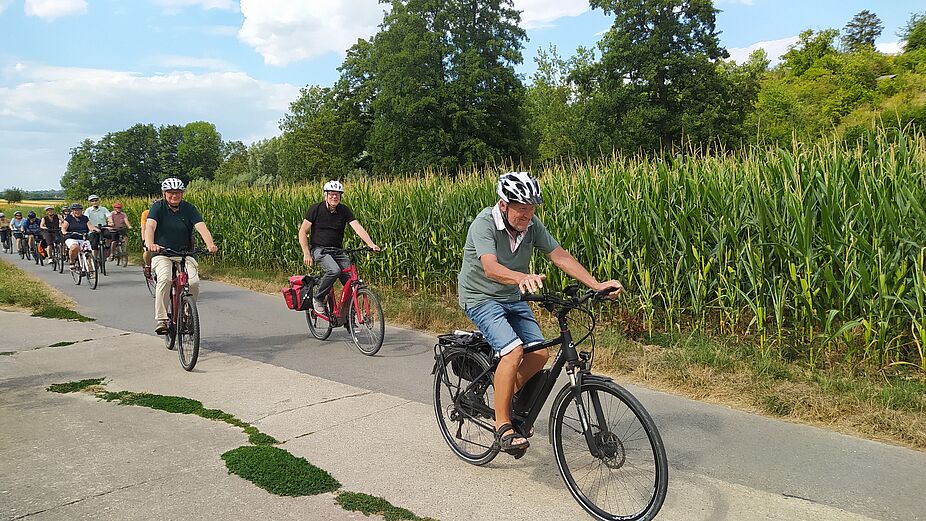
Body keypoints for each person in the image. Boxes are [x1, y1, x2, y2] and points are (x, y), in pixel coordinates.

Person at [457, 171, 623, 456]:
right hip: (481, 297)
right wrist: (520, 278)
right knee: (513, 351)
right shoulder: (484, 223)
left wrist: (596, 285)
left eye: (531, 208)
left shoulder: (532, 225)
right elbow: (490, 267)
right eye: (521, 208)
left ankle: (500, 397)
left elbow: (560, 255)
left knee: (539, 354)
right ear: (503, 204)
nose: (527, 214)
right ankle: (502, 425)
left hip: (512, 295)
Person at [145, 178, 218, 335]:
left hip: (185, 252)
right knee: (164, 278)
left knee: (194, 281)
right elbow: (150, 226)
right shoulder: (157, 207)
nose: (174, 196)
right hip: (162, 253)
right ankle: (162, 319)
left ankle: (186, 312)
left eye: (177, 192)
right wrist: (150, 243)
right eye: (171, 193)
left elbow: (201, 227)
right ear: (164, 193)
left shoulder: (189, 208)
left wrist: (210, 244)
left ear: (182, 193)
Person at [298, 180, 380, 313]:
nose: (334, 197)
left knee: (350, 282)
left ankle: (347, 315)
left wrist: (370, 244)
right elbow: (303, 231)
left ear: (340, 196)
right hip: (320, 250)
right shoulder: (315, 209)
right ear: (325, 195)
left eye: (337, 194)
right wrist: (306, 253)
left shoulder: (344, 210)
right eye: (331, 194)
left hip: (337, 251)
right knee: (334, 270)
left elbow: (357, 227)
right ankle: (318, 298)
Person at [61, 203, 99, 268]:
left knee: (88, 251)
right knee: (74, 247)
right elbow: (64, 228)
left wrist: (96, 230)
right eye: (75, 210)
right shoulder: (69, 218)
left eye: (79, 210)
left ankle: (90, 268)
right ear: (72, 211)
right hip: (72, 237)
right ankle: (72, 262)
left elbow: (90, 226)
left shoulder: (85, 218)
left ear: (82, 211)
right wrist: (65, 232)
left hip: (83, 237)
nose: (77, 212)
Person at [140, 199, 157, 278]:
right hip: (149, 234)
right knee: (147, 251)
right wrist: (144, 240)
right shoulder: (146, 213)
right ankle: (147, 266)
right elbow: (144, 228)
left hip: (160, 235)